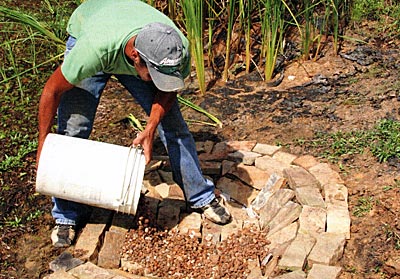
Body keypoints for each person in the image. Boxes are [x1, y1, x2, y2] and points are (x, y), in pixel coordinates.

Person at [37, 0, 231, 248]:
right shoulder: (92, 51)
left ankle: (200, 195)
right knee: (74, 129)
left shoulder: (174, 48)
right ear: (135, 57)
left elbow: (167, 92)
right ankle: (66, 215)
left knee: (174, 127)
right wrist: (44, 143)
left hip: (125, 27)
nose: (160, 81)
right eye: (155, 75)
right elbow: (51, 91)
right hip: (92, 25)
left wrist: (150, 128)